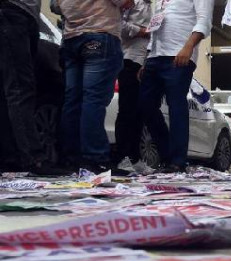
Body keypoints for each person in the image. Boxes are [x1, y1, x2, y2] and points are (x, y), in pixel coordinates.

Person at [56, 0, 132, 172]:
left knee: (72, 101)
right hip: (99, 31)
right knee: (93, 99)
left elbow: (55, 5)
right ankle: (94, 157)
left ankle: (70, 157)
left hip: (71, 37)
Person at [138, 0, 212, 173]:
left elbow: (204, 20)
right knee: (145, 105)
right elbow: (156, 26)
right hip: (155, 56)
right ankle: (167, 154)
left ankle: (177, 162)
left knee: (176, 106)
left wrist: (188, 47)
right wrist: (146, 58)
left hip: (179, 54)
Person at [0, 0, 65, 175]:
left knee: (9, 92)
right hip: (14, 12)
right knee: (20, 89)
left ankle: (11, 157)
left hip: (19, 14)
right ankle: (34, 158)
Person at [114, 0, 152, 170]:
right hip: (128, 58)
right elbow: (119, 24)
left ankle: (135, 158)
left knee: (139, 112)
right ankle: (121, 156)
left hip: (144, 62)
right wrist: (141, 31)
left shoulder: (154, 6)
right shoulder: (130, 2)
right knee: (126, 110)